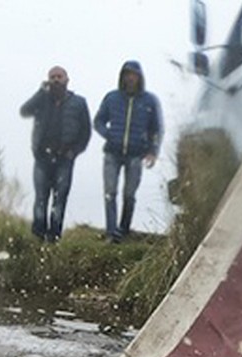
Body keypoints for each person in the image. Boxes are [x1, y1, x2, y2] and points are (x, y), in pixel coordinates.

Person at [19, 66, 91, 242]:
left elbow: (86, 131)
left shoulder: (79, 103)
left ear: (67, 79)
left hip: (64, 159)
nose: (56, 80)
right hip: (42, 157)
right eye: (52, 77)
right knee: (41, 198)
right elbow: (24, 111)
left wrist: (74, 152)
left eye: (59, 76)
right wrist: (40, 92)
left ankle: (54, 238)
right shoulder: (42, 100)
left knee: (59, 200)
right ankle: (38, 236)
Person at [93, 60, 163, 241]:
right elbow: (98, 121)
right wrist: (109, 134)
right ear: (122, 77)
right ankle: (111, 232)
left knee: (129, 195)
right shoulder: (112, 98)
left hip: (135, 154)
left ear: (139, 77)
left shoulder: (149, 101)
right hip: (112, 153)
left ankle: (123, 230)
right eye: (127, 74)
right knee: (110, 193)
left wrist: (153, 151)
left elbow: (156, 129)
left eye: (133, 75)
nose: (130, 78)